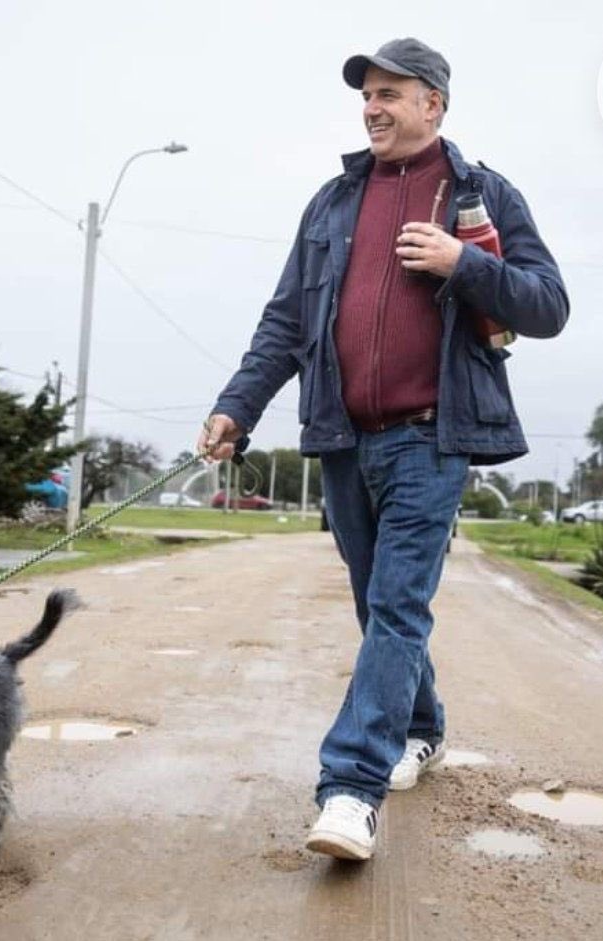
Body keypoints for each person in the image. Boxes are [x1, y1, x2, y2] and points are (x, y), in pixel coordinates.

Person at [197, 37, 567, 861]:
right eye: (366, 94)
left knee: (397, 608)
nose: (372, 107)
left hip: (431, 438)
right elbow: (286, 323)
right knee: (377, 609)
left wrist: (464, 263)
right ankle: (422, 727)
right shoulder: (331, 203)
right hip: (340, 439)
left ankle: (349, 787)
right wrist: (236, 407)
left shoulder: (482, 195)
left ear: (433, 104)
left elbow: (548, 306)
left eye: (390, 93)